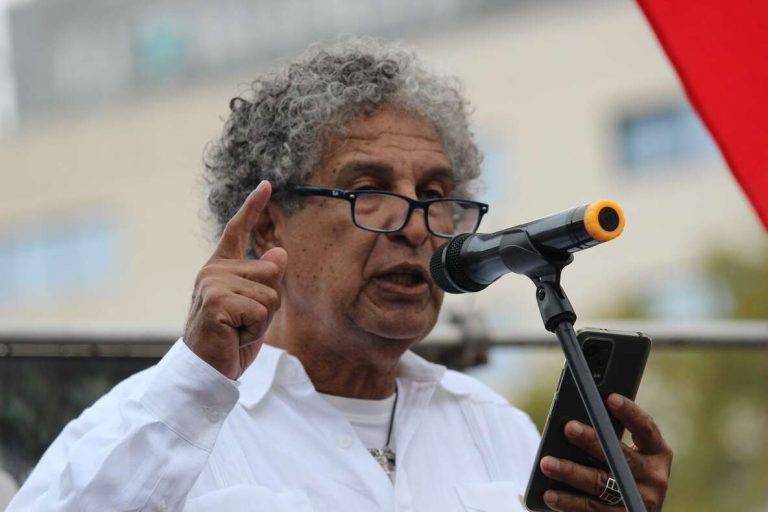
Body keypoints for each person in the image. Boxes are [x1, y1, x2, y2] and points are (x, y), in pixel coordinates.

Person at [8, 38, 672, 511]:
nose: (415, 225)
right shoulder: (172, 414)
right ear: (268, 225)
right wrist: (195, 381)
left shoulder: (493, 427)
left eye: (437, 194)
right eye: (367, 190)